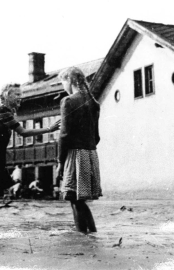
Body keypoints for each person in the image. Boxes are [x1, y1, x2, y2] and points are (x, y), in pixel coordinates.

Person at [0, 83, 60, 230]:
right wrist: (49, 129)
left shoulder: (7, 111)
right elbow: (23, 132)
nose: (20, 97)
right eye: (16, 94)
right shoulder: (2, 110)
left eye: (21, 94)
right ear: (6, 95)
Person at [56, 67, 102, 234]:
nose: (63, 87)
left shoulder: (68, 101)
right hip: (91, 154)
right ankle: (93, 236)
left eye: (63, 83)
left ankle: (82, 238)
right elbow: (96, 137)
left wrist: (60, 161)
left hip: (75, 155)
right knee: (80, 200)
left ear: (70, 81)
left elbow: (64, 135)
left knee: (74, 199)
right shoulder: (94, 103)